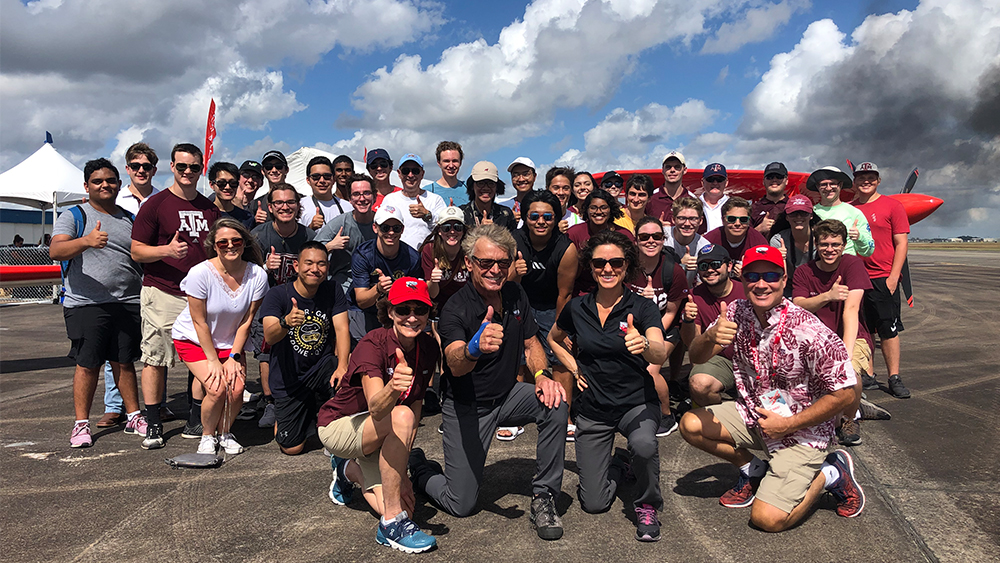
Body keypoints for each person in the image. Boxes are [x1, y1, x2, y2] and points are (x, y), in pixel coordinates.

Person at [680, 245, 865, 532]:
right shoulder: (737, 312)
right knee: (691, 424)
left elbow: (845, 392)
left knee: (767, 520)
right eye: (753, 276)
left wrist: (788, 424)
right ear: (743, 279)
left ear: (784, 278)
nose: (761, 284)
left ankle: (831, 473)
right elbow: (696, 357)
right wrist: (709, 336)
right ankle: (754, 470)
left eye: (770, 275)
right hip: (756, 415)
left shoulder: (809, 329)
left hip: (803, 431)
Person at [408, 224, 569, 541]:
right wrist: (473, 349)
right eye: (486, 263)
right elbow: (454, 365)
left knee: (556, 401)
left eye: (503, 263)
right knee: (461, 503)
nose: (495, 270)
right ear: (469, 263)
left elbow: (532, 343)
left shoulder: (514, 292)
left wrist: (542, 376)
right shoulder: (456, 308)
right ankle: (421, 469)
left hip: (508, 395)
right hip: (468, 406)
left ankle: (544, 497)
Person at [547, 230, 668, 541]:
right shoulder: (577, 307)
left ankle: (647, 504)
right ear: (591, 267)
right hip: (594, 409)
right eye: (600, 263)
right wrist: (573, 367)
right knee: (594, 503)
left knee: (644, 444)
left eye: (616, 262)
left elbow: (660, 350)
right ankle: (619, 464)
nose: (608, 269)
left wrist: (642, 344)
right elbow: (553, 339)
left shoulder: (641, 307)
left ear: (627, 266)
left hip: (635, 403)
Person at [317, 278, 439, 553]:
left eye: (420, 310)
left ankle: (346, 471)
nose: (412, 317)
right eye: (403, 309)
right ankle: (391, 525)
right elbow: (376, 407)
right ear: (390, 312)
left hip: (383, 433)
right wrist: (394, 387)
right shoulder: (372, 343)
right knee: (402, 415)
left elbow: (417, 405)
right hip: (341, 426)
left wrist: (404, 471)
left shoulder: (428, 348)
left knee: (408, 506)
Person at [131, 143, 221, 449]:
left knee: (202, 355)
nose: (187, 172)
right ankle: (153, 422)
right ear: (172, 166)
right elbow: (136, 250)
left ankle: (196, 418)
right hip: (163, 291)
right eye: (181, 166)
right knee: (155, 358)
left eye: (194, 167)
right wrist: (166, 251)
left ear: (201, 170)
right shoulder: (155, 205)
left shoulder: (210, 209)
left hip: (199, 295)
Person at [51, 158, 147, 447]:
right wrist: (86, 241)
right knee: (88, 364)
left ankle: (134, 415)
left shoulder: (129, 218)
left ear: (119, 184)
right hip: (87, 303)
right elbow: (56, 250)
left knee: (125, 362)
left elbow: (140, 255)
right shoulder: (75, 215)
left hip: (128, 301)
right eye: (97, 181)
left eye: (110, 180)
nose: (105, 185)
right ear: (86, 186)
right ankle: (81, 424)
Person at [170, 218, 268, 455]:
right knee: (216, 388)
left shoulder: (257, 275)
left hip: (230, 339)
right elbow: (199, 321)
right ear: (214, 245)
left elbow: (247, 320)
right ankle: (206, 435)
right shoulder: (200, 273)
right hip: (194, 339)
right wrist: (213, 360)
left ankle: (225, 432)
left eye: (236, 241)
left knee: (236, 389)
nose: (230, 246)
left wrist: (234, 356)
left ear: (244, 243)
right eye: (223, 242)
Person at [260, 242, 351, 455]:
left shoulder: (332, 288)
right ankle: (304, 414)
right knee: (292, 448)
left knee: (346, 376)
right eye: (308, 263)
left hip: (321, 366)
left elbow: (342, 329)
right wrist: (285, 322)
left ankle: (328, 418)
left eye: (321, 264)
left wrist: (343, 366)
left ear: (327, 267)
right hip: (290, 377)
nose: (315, 269)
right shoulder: (277, 295)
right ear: (296, 266)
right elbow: (269, 337)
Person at [792, 220, 872, 447]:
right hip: (815, 338)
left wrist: (844, 354)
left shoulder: (853, 265)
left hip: (851, 334)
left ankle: (849, 418)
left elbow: (852, 309)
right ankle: (848, 408)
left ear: (844, 244)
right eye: (824, 244)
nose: (830, 249)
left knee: (850, 376)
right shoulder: (803, 271)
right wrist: (828, 295)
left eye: (836, 244)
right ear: (816, 244)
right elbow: (798, 304)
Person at [99, 142, 161, 429]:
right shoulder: (116, 199)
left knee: (153, 346)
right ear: (127, 169)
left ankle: (155, 405)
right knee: (118, 347)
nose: (141, 171)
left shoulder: (162, 200)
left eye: (146, 167)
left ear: (154, 170)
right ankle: (114, 405)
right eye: (135, 166)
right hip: (122, 279)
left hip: (153, 278)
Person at [510, 190, 578, 440]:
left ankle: (566, 415)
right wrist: (515, 273)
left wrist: (559, 332)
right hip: (519, 300)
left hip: (553, 304)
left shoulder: (566, 248)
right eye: (534, 216)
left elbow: (565, 294)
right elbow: (503, 284)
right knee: (516, 356)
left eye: (548, 217)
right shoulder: (513, 241)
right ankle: (517, 415)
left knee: (560, 355)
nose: (541, 222)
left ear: (556, 218)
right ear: (525, 218)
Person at [250, 183, 316, 427]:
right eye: (279, 203)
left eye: (290, 202)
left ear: (298, 206)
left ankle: (301, 396)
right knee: (266, 351)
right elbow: (245, 272)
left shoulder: (308, 236)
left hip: (299, 301)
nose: (285, 207)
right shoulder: (258, 235)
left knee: (302, 348)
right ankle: (270, 402)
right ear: (270, 207)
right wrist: (266, 267)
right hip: (268, 302)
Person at [625, 216, 688, 436]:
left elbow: (671, 311)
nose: (650, 241)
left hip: (666, 329)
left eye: (657, 236)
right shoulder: (627, 268)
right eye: (644, 237)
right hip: (633, 328)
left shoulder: (674, 272)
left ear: (663, 240)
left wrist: (650, 334)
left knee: (650, 369)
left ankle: (666, 414)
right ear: (636, 241)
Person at [852, 162, 911, 398]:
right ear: (854, 181)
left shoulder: (893, 206)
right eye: (861, 177)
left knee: (888, 328)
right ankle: (868, 375)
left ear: (878, 180)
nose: (866, 181)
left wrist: (894, 276)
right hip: (856, 277)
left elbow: (901, 242)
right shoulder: (848, 208)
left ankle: (894, 377)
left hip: (882, 276)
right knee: (863, 329)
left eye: (871, 177)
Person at [679, 244, 746, 407]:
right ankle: (725, 415)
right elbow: (692, 345)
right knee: (699, 384)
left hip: (753, 360)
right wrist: (688, 319)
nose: (709, 270)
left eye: (715, 264)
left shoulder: (747, 290)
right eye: (703, 266)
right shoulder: (693, 296)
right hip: (722, 361)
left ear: (729, 266)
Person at [350, 203, 423, 338]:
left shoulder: (412, 258)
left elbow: (413, 297)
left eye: (396, 228)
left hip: (397, 311)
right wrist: (378, 289)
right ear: (375, 228)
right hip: (365, 311)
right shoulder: (363, 255)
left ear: (402, 230)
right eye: (385, 228)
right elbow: (361, 301)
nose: (391, 233)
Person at [315, 173, 377, 297]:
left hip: (374, 280)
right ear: (350, 199)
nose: (362, 198)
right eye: (356, 194)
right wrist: (329, 246)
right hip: (344, 282)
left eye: (366, 193)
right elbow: (312, 250)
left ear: (374, 197)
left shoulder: (382, 222)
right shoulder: (341, 222)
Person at [566, 189, 634, 296]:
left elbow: (631, 272)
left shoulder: (624, 235)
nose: (598, 212)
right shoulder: (574, 233)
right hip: (583, 294)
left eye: (603, 207)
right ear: (586, 210)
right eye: (593, 208)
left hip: (617, 294)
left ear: (611, 209)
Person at [380, 153, 447, 250]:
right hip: (397, 257)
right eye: (405, 171)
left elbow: (446, 230)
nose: (410, 175)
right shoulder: (390, 199)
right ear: (399, 173)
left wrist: (427, 215)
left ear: (422, 174)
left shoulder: (435, 199)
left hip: (427, 257)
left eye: (415, 171)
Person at [807, 167, 874, 257]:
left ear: (840, 185)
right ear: (817, 187)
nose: (828, 188)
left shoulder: (854, 213)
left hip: (847, 266)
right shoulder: (810, 213)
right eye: (823, 184)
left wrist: (859, 237)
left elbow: (869, 251)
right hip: (819, 266)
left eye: (833, 184)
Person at [703, 197, 769, 277]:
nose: (737, 223)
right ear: (723, 220)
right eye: (731, 219)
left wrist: (748, 276)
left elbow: (765, 276)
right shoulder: (709, 241)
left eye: (743, 219)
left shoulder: (759, 243)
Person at [768, 194, 817, 297]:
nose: (799, 217)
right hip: (789, 287)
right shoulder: (778, 240)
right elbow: (776, 274)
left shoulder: (821, 238)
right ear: (787, 217)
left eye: (803, 213)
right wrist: (777, 258)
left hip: (815, 285)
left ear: (811, 216)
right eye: (793, 214)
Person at [299, 156, 353, 231]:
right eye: (316, 176)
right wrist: (311, 228)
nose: (322, 180)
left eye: (327, 176)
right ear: (308, 180)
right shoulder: (300, 206)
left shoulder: (348, 207)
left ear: (334, 179)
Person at [460, 161, 516, 231]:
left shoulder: (506, 214)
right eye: (480, 183)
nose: (486, 188)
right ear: (472, 186)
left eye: (491, 183)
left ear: (497, 187)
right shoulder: (461, 213)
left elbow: (513, 241)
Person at [664, 197, 706, 287]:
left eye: (693, 219)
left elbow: (701, 284)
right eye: (682, 218)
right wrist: (680, 265)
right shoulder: (661, 237)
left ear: (701, 220)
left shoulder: (704, 247)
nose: (687, 223)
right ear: (673, 219)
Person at [645, 150, 694, 224]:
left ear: (684, 170)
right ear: (663, 170)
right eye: (668, 167)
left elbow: (700, 231)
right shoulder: (650, 198)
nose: (672, 170)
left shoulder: (692, 199)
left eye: (677, 167)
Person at [208, 162, 254, 229]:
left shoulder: (247, 218)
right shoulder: (203, 215)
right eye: (221, 183)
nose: (227, 187)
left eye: (233, 183)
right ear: (212, 185)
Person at [750, 162, 789, 240]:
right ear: (763, 181)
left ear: (786, 181)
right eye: (770, 177)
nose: (774, 180)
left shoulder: (793, 206)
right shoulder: (753, 208)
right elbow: (742, 238)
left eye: (779, 177)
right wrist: (759, 229)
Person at [428, 141, 468, 207]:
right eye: (446, 161)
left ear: (460, 163)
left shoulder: (470, 189)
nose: (451, 165)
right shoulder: (428, 192)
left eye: (455, 161)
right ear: (439, 163)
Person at [500, 157, 537, 223]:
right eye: (516, 175)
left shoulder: (545, 203)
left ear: (534, 177)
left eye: (525, 174)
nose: (521, 179)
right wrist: (508, 220)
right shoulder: (503, 208)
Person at [547, 167, 581, 233]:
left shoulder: (578, 222)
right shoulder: (533, 218)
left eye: (566, 188)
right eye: (556, 188)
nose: (561, 192)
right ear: (547, 188)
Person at [699, 163, 730, 232]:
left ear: (726, 182)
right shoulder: (693, 204)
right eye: (710, 179)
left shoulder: (734, 206)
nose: (715, 183)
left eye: (720, 179)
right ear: (702, 182)